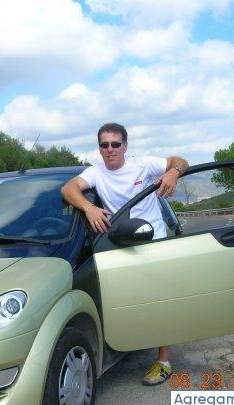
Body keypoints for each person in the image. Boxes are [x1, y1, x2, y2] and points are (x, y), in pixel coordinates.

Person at [61, 122, 189, 385]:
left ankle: (164, 360)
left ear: (125, 146)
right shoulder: (95, 173)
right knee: (130, 301)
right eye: (104, 145)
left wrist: (173, 172)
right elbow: (68, 189)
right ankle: (128, 343)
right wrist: (89, 208)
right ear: (99, 148)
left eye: (115, 144)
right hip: (120, 244)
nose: (110, 149)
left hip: (153, 242)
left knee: (158, 301)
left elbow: (180, 161)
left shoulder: (142, 164)